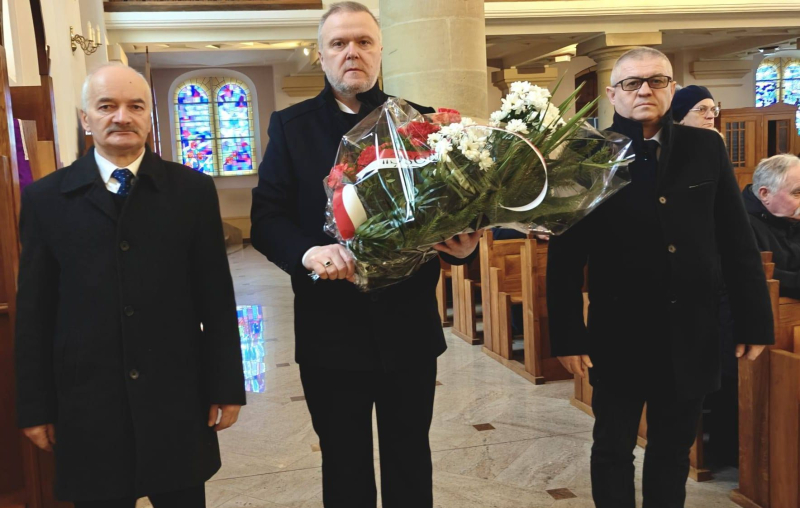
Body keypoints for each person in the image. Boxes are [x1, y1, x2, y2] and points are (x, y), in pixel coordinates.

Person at [250, 3, 480, 507]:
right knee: (344, 463)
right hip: (330, 330)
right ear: (320, 55)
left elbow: (453, 209)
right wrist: (309, 252)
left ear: (379, 51)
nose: (351, 52)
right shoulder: (291, 126)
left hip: (408, 328)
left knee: (410, 459)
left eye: (363, 41)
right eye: (338, 43)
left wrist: (464, 247)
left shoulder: (420, 120)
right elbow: (266, 218)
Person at [546, 47, 774, 508]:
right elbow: (565, 255)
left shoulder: (705, 147)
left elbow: (736, 240)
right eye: (632, 83)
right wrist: (568, 335)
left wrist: (753, 320)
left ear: (672, 88)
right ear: (613, 94)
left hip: (691, 329)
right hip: (619, 331)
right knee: (612, 447)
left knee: (673, 450)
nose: (645, 90)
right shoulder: (586, 154)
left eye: (657, 80)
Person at [14, 63, 245, 507]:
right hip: (88, 402)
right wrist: (35, 406)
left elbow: (215, 298)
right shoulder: (45, 199)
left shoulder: (191, 191)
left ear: (149, 117)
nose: (122, 117)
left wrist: (226, 386)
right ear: (85, 118)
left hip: (175, 395)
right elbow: (35, 313)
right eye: (107, 106)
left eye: (135, 106)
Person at [744, 154, 800, 298]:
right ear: (765, 194)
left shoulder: (792, 216)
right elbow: (760, 275)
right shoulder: (741, 225)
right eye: (797, 193)